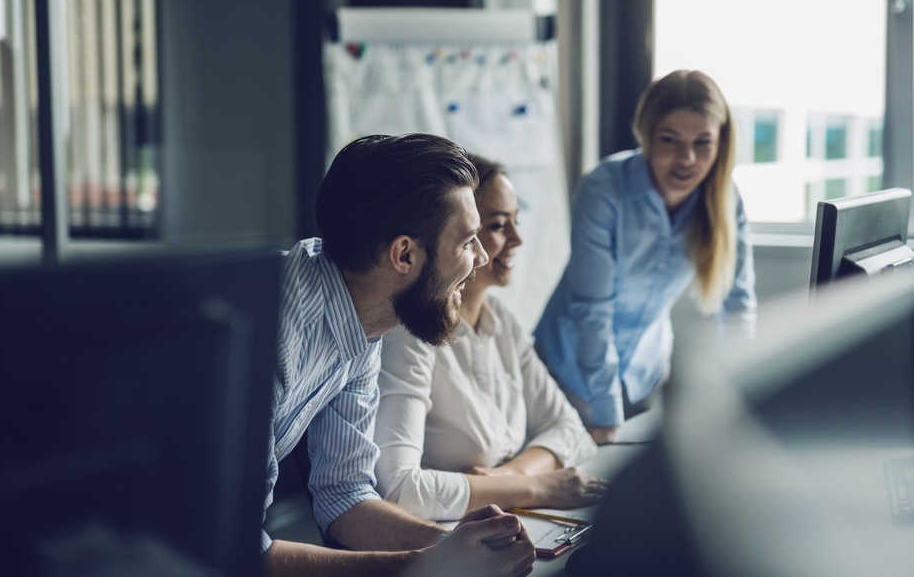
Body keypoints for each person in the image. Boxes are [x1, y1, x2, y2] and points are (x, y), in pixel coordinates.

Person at [263, 134, 537, 577]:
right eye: (467, 241)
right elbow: (241, 551)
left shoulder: (364, 320)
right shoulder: (274, 331)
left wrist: (458, 545)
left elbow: (345, 495)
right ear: (404, 254)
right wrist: (429, 564)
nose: (483, 256)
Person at [373, 154, 607, 522]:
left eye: (516, 221)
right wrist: (537, 486)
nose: (516, 239)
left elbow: (570, 429)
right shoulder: (410, 334)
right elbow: (400, 493)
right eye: (499, 225)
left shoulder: (501, 322)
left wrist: (507, 477)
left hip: (504, 515)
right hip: (442, 533)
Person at [535, 69, 756, 445]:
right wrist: (606, 414)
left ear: (721, 143)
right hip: (568, 375)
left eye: (703, 142)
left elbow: (737, 306)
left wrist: (744, 397)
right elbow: (593, 309)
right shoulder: (604, 189)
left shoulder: (725, 199)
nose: (687, 159)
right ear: (647, 135)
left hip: (645, 373)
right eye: (670, 140)